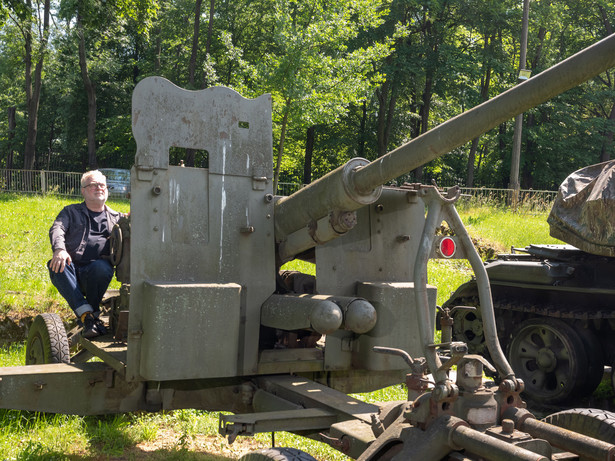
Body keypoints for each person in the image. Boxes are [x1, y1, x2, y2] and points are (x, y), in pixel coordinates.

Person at [48, 170, 123, 338]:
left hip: (96, 274)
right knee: (57, 265)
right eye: (93, 185)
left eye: (102, 185)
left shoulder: (117, 217)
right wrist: (60, 249)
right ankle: (89, 315)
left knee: (103, 267)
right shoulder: (70, 212)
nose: (99, 188)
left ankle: (86, 316)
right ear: (83, 190)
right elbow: (57, 228)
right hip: (72, 270)